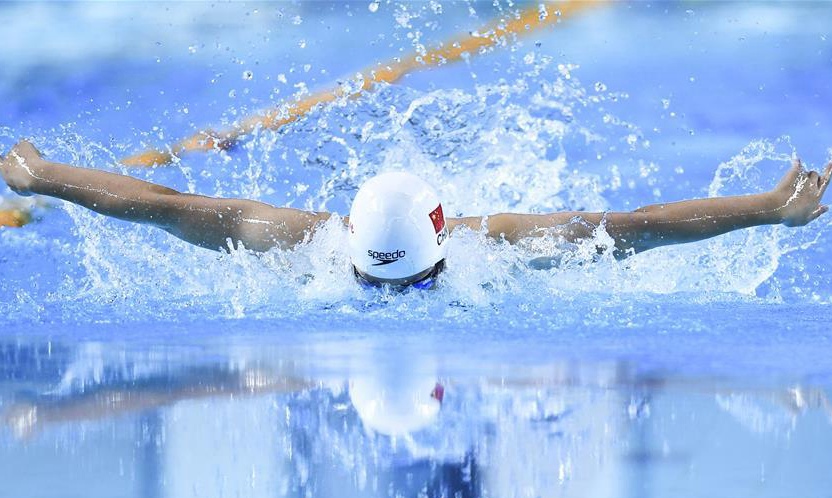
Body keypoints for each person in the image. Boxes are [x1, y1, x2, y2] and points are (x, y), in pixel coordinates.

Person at [1, 140, 830, 289]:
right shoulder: (491, 249)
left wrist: (41, 176)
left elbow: (167, 207)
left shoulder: (306, 249)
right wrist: (767, 209)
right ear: (441, 231)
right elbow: (639, 224)